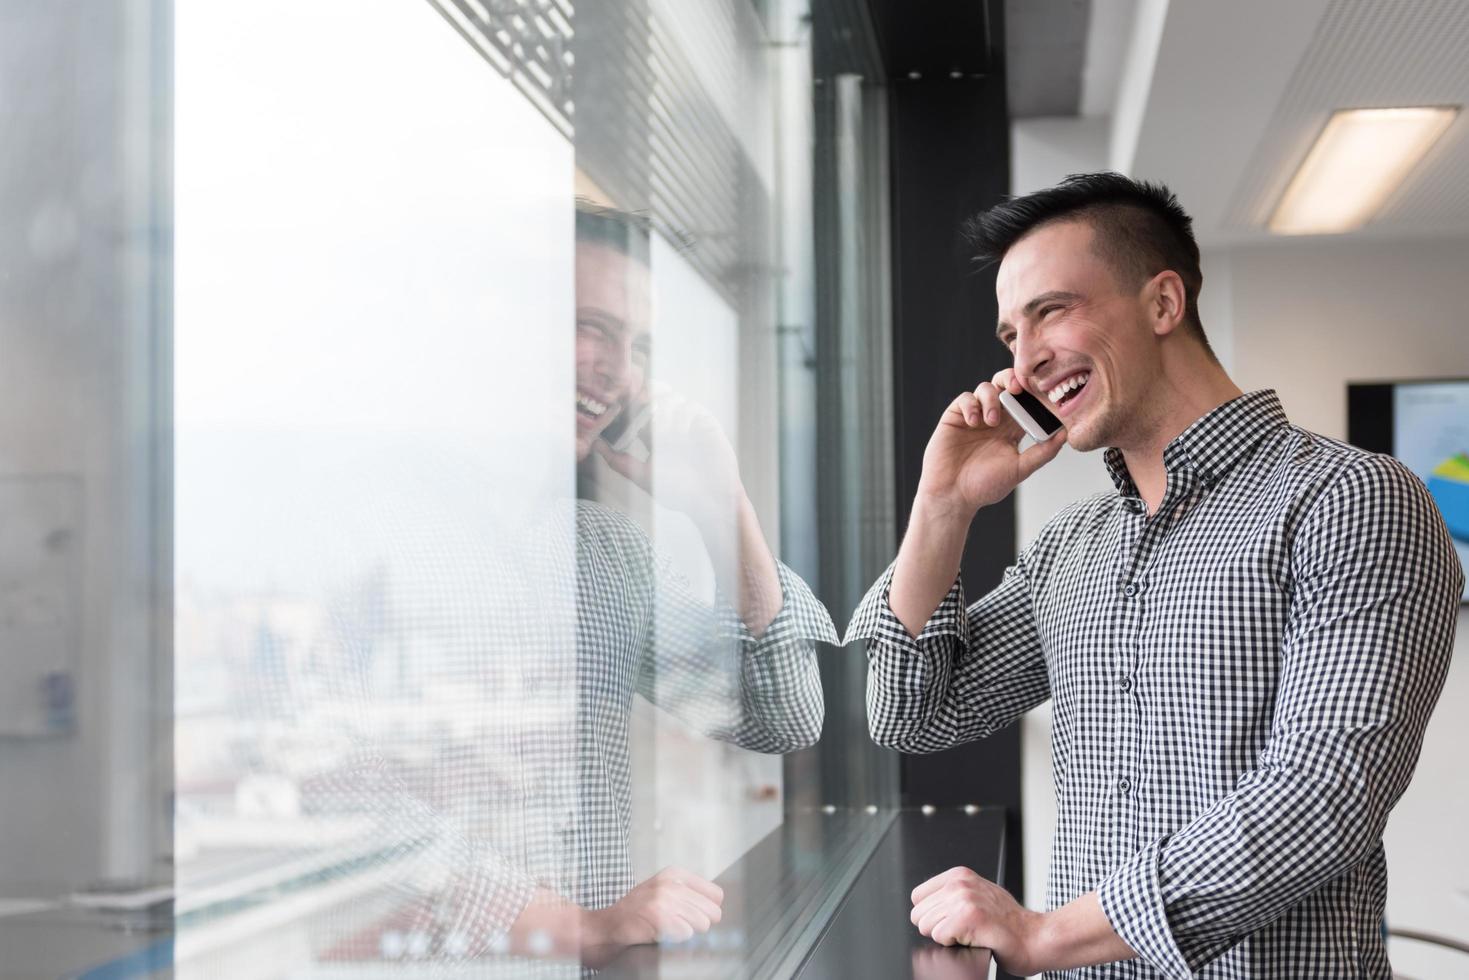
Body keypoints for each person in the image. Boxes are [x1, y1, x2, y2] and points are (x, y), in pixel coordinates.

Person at [844, 172, 1462, 978]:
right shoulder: (1073, 546)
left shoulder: (1349, 499)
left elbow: (1322, 796)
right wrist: (943, 505)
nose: (1026, 361)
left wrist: (1046, 938)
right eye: (1009, 337)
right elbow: (910, 716)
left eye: (1051, 311)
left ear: (1163, 304)